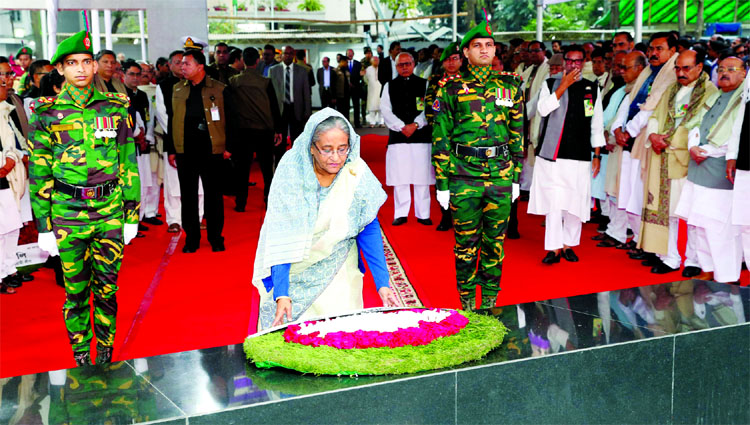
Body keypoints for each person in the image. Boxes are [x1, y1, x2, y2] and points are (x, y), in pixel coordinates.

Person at [27, 30, 140, 366]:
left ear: (94, 67)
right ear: (59, 69)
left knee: (107, 291)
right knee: (75, 294)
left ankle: (105, 355)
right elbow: (40, 171)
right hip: (67, 214)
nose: (80, 69)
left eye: (86, 62)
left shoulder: (117, 106)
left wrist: (131, 214)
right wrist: (43, 225)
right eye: (71, 63)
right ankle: (81, 357)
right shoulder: (46, 113)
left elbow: (127, 162)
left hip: (108, 213)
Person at [252, 109, 400, 330]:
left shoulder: (355, 172)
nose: (336, 158)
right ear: (312, 148)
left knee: (343, 338)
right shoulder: (292, 175)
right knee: (296, 343)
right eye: (327, 150)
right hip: (295, 269)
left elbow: (368, 227)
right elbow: (281, 235)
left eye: (342, 149)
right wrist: (281, 293)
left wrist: (382, 283)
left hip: (340, 270)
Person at [432, 22, 524, 310]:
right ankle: (468, 303)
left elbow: (517, 133)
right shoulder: (450, 89)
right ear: (465, 53)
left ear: (495, 50)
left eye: (489, 45)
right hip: (463, 177)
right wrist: (442, 184)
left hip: (500, 176)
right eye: (477, 46)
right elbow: (441, 138)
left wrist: (516, 178)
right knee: (465, 247)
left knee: (495, 244)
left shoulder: (509, 86)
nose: (484, 50)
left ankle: (491, 303)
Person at [638, 49, 716, 274]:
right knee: (667, 212)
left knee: (691, 214)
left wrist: (671, 140)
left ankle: (693, 260)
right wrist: (653, 136)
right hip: (663, 156)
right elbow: (654, 116)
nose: (680, 73)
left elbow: (702, 126)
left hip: (689, 160)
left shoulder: (709, 93)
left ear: (700, 67)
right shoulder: (672, 89)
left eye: (686, 68)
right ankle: (669, 257)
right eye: (678, 68)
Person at [529, 45, 605, 264]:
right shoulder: (550, 84)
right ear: (564, 63)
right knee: (554, 202)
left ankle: (568, 244)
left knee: (575, 202)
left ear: (584, 63)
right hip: (552, 153)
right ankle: (553, 248)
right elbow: (543, 110)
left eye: (578, 61)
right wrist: (562, 87)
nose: (573, 65)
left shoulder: (591, 88)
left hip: (579, 153)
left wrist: (597, 154)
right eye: (569, 61)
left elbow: (596, 122)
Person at [676, 54, 746, 284]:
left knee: (719, 228)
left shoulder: (742, 100)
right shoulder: (716, 96)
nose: (724, 73)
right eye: (722, 68)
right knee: (700, 224)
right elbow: (695, 124)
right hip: (698, 168)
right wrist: (693, 146)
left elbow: (737, 136)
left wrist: (706, 150)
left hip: (719, 170)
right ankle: (707, 268)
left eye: (732, 68)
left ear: (744, 73)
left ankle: (727, 275)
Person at [167, 49, 232, 254]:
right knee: (188, 196)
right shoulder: (177, 89)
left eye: (186, 64)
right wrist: (171, 149)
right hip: (185, 151)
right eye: (181, 64)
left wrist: (229, 146)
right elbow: (171, 121)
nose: (182, 67)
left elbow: (232, 119)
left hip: (212, 150)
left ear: (200, 66)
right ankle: (192, 239)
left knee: (213, 196)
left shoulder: (220, 89)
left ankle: (215, 238)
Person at [380, 52, 434, 226]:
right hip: (398, 136)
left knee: (422, 178)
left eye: (407, 64)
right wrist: (401, 126)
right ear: (396, 67)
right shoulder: (389, 86)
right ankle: (401, 213)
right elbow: (385, 110)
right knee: (400, 177)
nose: (404, 67)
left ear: (413, 64)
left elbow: (428, 108)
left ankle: (423, 214)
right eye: (400, 65)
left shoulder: (425, 84)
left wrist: (416, 124)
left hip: (420, 136)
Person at [228, 47, 283, 210]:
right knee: (267, 169)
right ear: (257, 61)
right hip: (264, 130)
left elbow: (230, 109)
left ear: (243, 61)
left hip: (243, 131)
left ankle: (241, 203)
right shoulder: (265, 82)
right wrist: (278, 129)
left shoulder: (234, 82)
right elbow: (274, 107)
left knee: (242, 169)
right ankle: (269, 201)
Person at [424, 42, 462, 231]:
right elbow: (430, 107)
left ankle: (464, 217)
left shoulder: (468, 81)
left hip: (464, 139)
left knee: (463, 178)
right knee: (442, 176)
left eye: (454, 59)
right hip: (442, 138)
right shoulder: (435, 80)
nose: (451, 63)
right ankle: (445, 216)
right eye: (447, 60)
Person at [122, 60, 158, 235]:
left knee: (144, 183)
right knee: (132, 185)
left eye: (138, 74)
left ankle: (141, 216)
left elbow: (148, 118)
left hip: (143, 144)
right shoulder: (121, 95)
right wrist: (137, 135)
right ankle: (130, 222)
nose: (135, 78)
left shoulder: (142, 95)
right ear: (124, 75)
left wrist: (147, 137)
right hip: (128, 146)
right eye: (132, 74)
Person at [0, 68, 26, 294]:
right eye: (0, 84)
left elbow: (10, 142)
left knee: (10, 226)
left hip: (5, 175)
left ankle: (8, 270)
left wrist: (9, 159)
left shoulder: (4, 110)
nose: (4, 86)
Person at [269, 45, 312, 167]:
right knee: (279, 142)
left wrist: (307, 113)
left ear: (293, 55)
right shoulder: (273, 70)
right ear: (281, 55)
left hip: (296, 108)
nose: (287, 56)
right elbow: (270, 94)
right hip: (280, 109)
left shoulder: (302, 71)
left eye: (290, 53)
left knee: (297, 140)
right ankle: (280, 167)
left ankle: (298, 166)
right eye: (285, 53)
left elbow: (306, 93)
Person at [345, 49, 363, 127]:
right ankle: (347, 123)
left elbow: (360, 76)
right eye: (348, 53)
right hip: (346, 88)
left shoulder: (358, 64)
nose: (350, 55)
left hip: (356, 88)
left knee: (356, 106)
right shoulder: (344, 64)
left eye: (351, 53)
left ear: (353, 54)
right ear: (346, 54)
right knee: (346, 106)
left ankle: (357, 123)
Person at [364, 55, 382, 127]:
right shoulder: (368, 69)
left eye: (377, 60)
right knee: (371, 107)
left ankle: (381, 122)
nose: (376, 61)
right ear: (371, 61)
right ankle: (372, 122)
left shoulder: (381, 68)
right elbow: (365, 79)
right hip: (371, 90)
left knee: (381, 106)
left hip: (380, 89)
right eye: (374, 60)